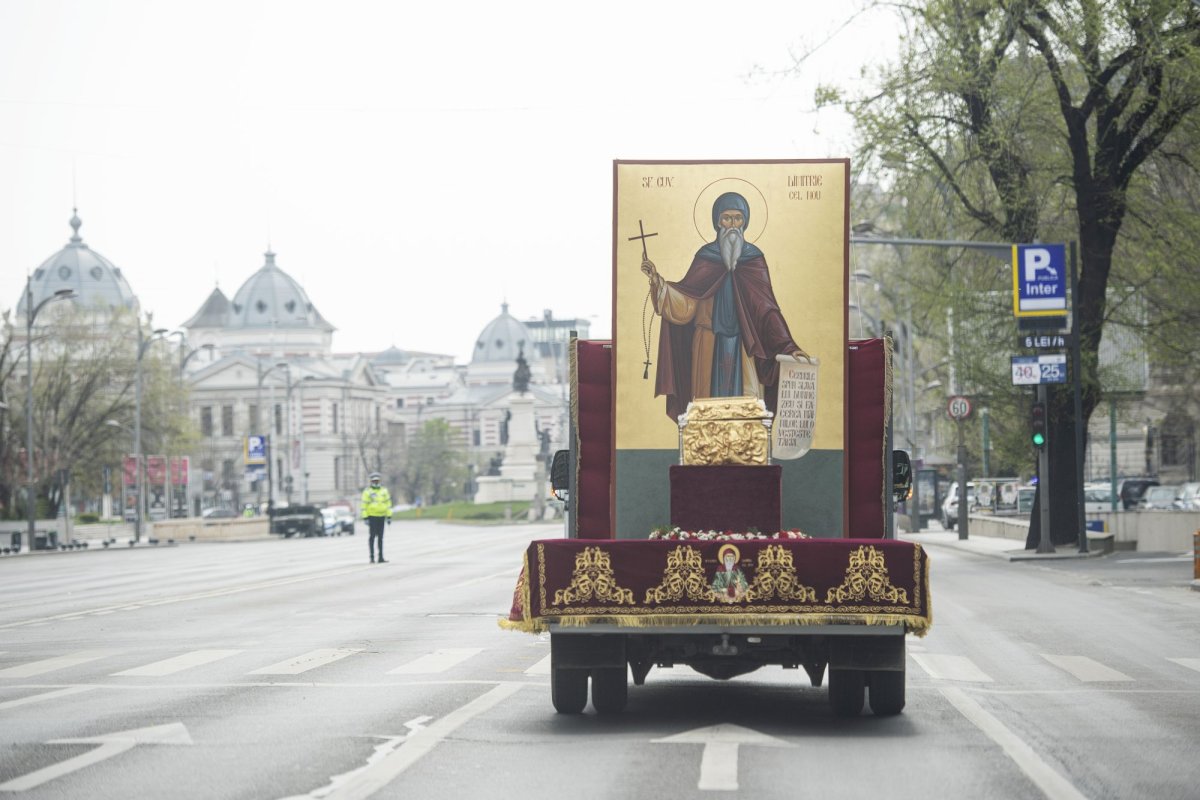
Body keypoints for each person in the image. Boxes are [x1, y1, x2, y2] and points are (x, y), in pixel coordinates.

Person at [641, 191, 809, 422]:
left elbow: (767, 309)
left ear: (745, 222)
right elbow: (688, 301)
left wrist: (788, 346)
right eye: (727, 218)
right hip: (708, 341)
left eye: (737, 218)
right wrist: (658, 283)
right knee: (706, 407)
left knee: (748, 405)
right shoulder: (705, 257)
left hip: (745, 345)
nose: (732, 224)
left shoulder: (754, 259)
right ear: (717, 221)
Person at [361, 473, 392, 563]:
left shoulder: (384, 491)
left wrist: (389, 516)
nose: (376, 482)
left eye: (377, 481)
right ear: (371, 481)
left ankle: (381, 557)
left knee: (380, 538)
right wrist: (365, 517)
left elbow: (388, 504)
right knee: (372, 537)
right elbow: (364, 505)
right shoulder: (367, 492)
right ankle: (371, 557)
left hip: (381, 517)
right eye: (374, 481)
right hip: (372, 517)